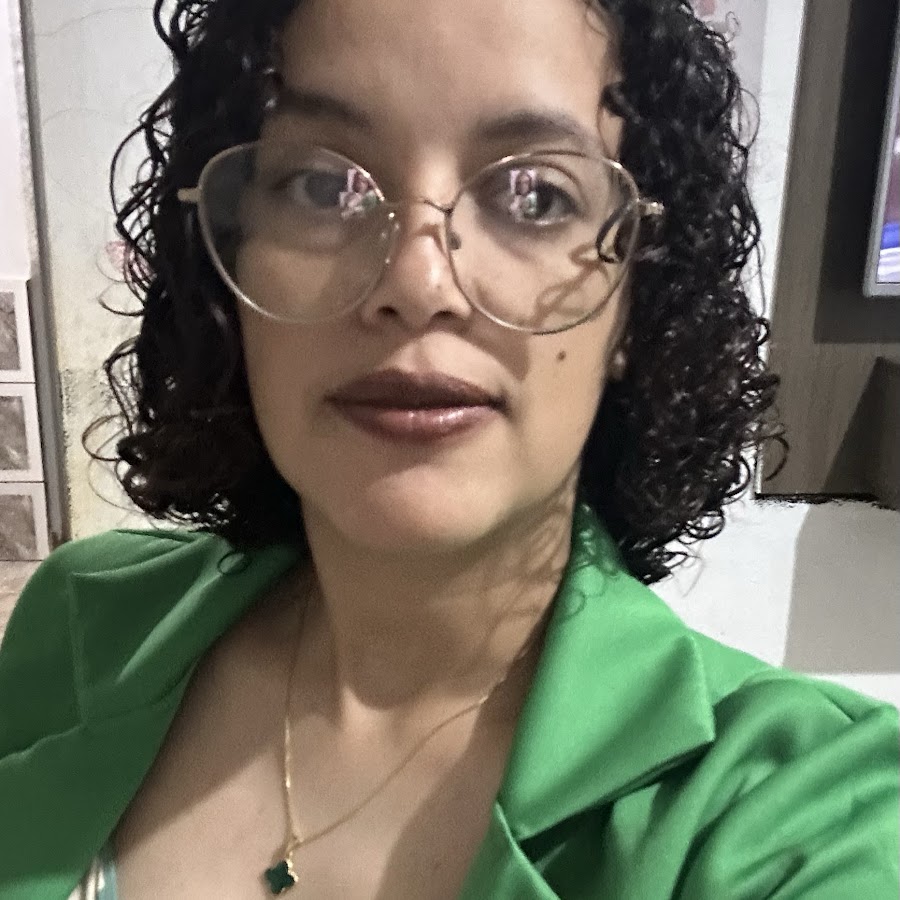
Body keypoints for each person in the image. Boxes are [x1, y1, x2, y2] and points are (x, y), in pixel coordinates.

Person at [0, 0, 897, 897]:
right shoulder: (82, 622)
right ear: (227, 261)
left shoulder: (808, 812)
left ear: (637, 291)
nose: (417, 281)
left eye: (536, 196)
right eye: (322, 185)